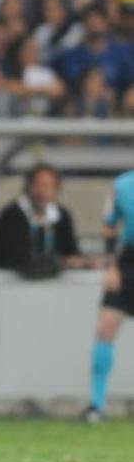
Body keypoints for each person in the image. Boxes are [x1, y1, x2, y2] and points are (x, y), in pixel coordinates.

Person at [85, 170, 134, 423]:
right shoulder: (123, 185)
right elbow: (109, 225)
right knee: (105, 328)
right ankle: (96, 404)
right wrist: (111, 265)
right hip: (128, 263)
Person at [0, 164, 88, 273]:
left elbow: (71, 253)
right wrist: (60, 261)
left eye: (48, 186)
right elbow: (15, 257)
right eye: (37, 185)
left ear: (56, 190)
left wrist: (80, 262)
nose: (41, 191)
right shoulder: (12, 215)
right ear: (27, 187)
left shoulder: (62, 216)